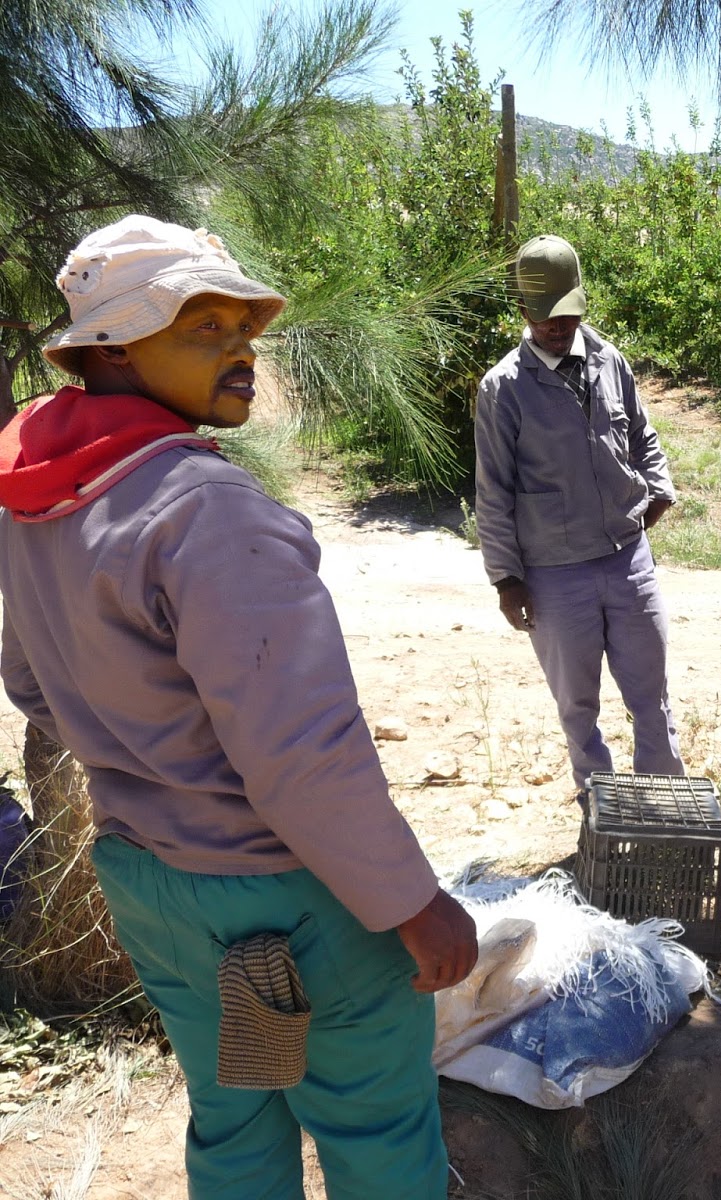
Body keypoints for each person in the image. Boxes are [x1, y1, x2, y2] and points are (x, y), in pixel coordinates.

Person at [0, 216, 478, 1198]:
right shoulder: (208, 511)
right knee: (375, 1135)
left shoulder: (40, 502)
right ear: (114, 349)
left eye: (241, 325)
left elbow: (31, 687)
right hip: (290, 896)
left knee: (239, 1121)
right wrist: (414, 905)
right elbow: (302, 760)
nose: (240, 349)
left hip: (150, 882)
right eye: (202, 327)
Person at [475, 234, 685, 793]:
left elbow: (642, 434)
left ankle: (661, 809)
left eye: (567, 314)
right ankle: (600, 817)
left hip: (627, 559)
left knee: (652, 698)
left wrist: (658, 487)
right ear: (522, 311)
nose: (557, 326)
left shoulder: (606, 359)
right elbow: (492, 490)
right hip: (554, 574)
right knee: (578, 710)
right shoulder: (503, 389)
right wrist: (507, 579)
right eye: (545, 317)